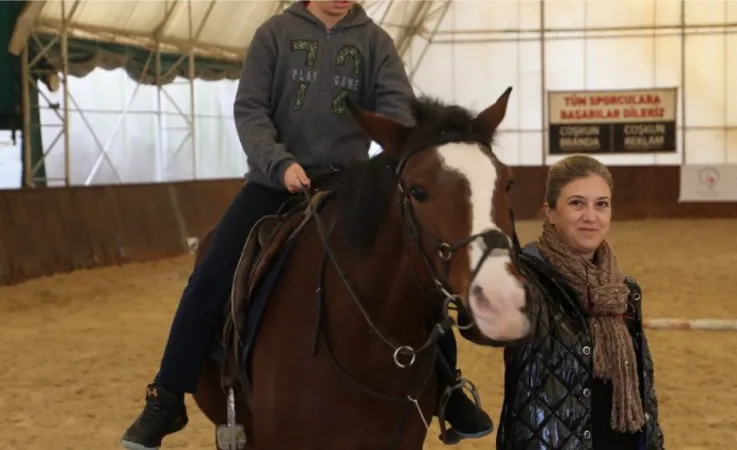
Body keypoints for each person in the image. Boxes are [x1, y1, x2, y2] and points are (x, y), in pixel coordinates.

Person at [119, 1, 491, 449]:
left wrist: (393, 158)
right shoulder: (273, 35)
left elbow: (397, 112)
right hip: (275, 182)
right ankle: (167, 395)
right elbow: (251, 110)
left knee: (415, 267)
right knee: (209, 275)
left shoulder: (375, 43)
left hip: (349, 182)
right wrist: (281, 164)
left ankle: (448, 388)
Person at [494, 154, 665, 449]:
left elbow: (643, 391)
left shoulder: (623, 291)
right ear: (549, 211)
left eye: (601, 204)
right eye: (576, 203)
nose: (591, 216)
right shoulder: (525, 282)